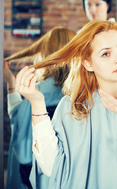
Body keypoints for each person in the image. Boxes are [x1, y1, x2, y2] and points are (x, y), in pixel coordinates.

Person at [16, 20, 117, 188]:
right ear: (88, 63)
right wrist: (37, 104)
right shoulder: (72, 106)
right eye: (105, 54)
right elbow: (51, 167)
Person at [4, 27, 76, 189]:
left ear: (45, 54)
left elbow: (21, 145)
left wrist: (11, 82)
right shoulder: (84, 94)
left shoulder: (37, 92)